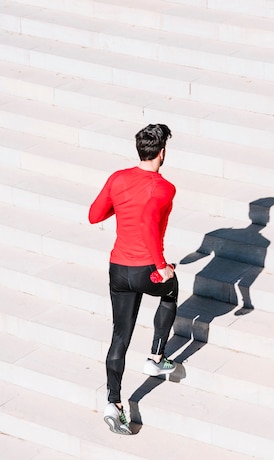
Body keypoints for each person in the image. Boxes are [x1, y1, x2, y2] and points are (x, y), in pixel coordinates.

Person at [89, 123, 178, 435]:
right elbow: (149, 224)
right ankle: (156, 356)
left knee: (120, 335)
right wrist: (162, 265)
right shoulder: (163, 187)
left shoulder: (118, 178)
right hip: (146, 270)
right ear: (162, 152)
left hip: (118, 269)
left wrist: (123, 201)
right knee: (171, 289)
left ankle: (113, 403)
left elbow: (95, 215)